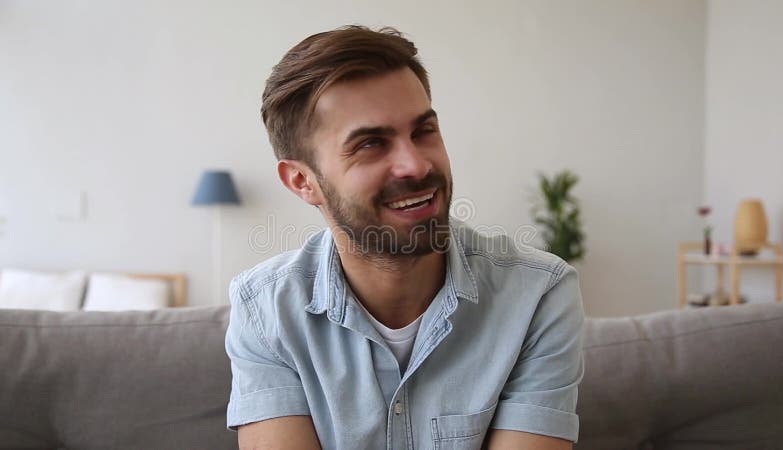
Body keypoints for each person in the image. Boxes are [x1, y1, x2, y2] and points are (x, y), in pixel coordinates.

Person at [225, 25, 585, 450]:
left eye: (423, 132)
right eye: (371, 144)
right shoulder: (264, 311)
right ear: (303, 181)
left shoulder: (537, 295)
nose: (415, 165)